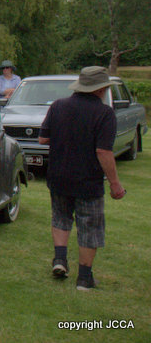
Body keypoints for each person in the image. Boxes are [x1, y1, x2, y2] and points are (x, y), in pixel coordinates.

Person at [38, 66, 126, 291]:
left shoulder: (58, 106)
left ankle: (60, 260)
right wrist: (115, 184)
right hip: (88, 180)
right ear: (101, 89)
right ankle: (84, 278)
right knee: (90, 226)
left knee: (61, 217)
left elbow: (42, 139)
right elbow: (103, 152)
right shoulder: (104, 113)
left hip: (58, 175)